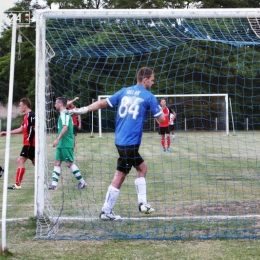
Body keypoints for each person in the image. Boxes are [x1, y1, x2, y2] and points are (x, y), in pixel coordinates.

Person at [68, 67, 165, 220]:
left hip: (120, 140)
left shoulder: (124, 91)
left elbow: (102, 103)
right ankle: (132, 206)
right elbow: (161, 120)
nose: (153, 83)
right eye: (152, 80)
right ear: (145, 80)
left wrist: (84, 109)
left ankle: (116, 209)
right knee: (127, 173)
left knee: (135, 169)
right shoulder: (148, 96)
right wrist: (161, 110)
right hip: (130, 142)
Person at [48, 97, 86, 190]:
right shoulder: (63, 113)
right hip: (62, 144)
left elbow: (65, 128)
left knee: (69, 164)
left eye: (56, 103)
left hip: (65, 143)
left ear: (60, 104)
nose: (55, 105)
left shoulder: (64, 114)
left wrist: (57, 139)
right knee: (57, 163)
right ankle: (54, 185)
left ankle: (82, 182)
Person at [0, 98, 35, 190]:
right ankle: (43, 183)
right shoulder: (26, 116)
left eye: (20, 106)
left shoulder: (32, 115)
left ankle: (17, 184)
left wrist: (30, 142)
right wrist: (7, 132)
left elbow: (35, 128)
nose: (19, 107)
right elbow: (21, 129)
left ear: (25, 105)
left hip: (30, 144)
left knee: (20, 161)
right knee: (35, 162)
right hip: (29, 144)